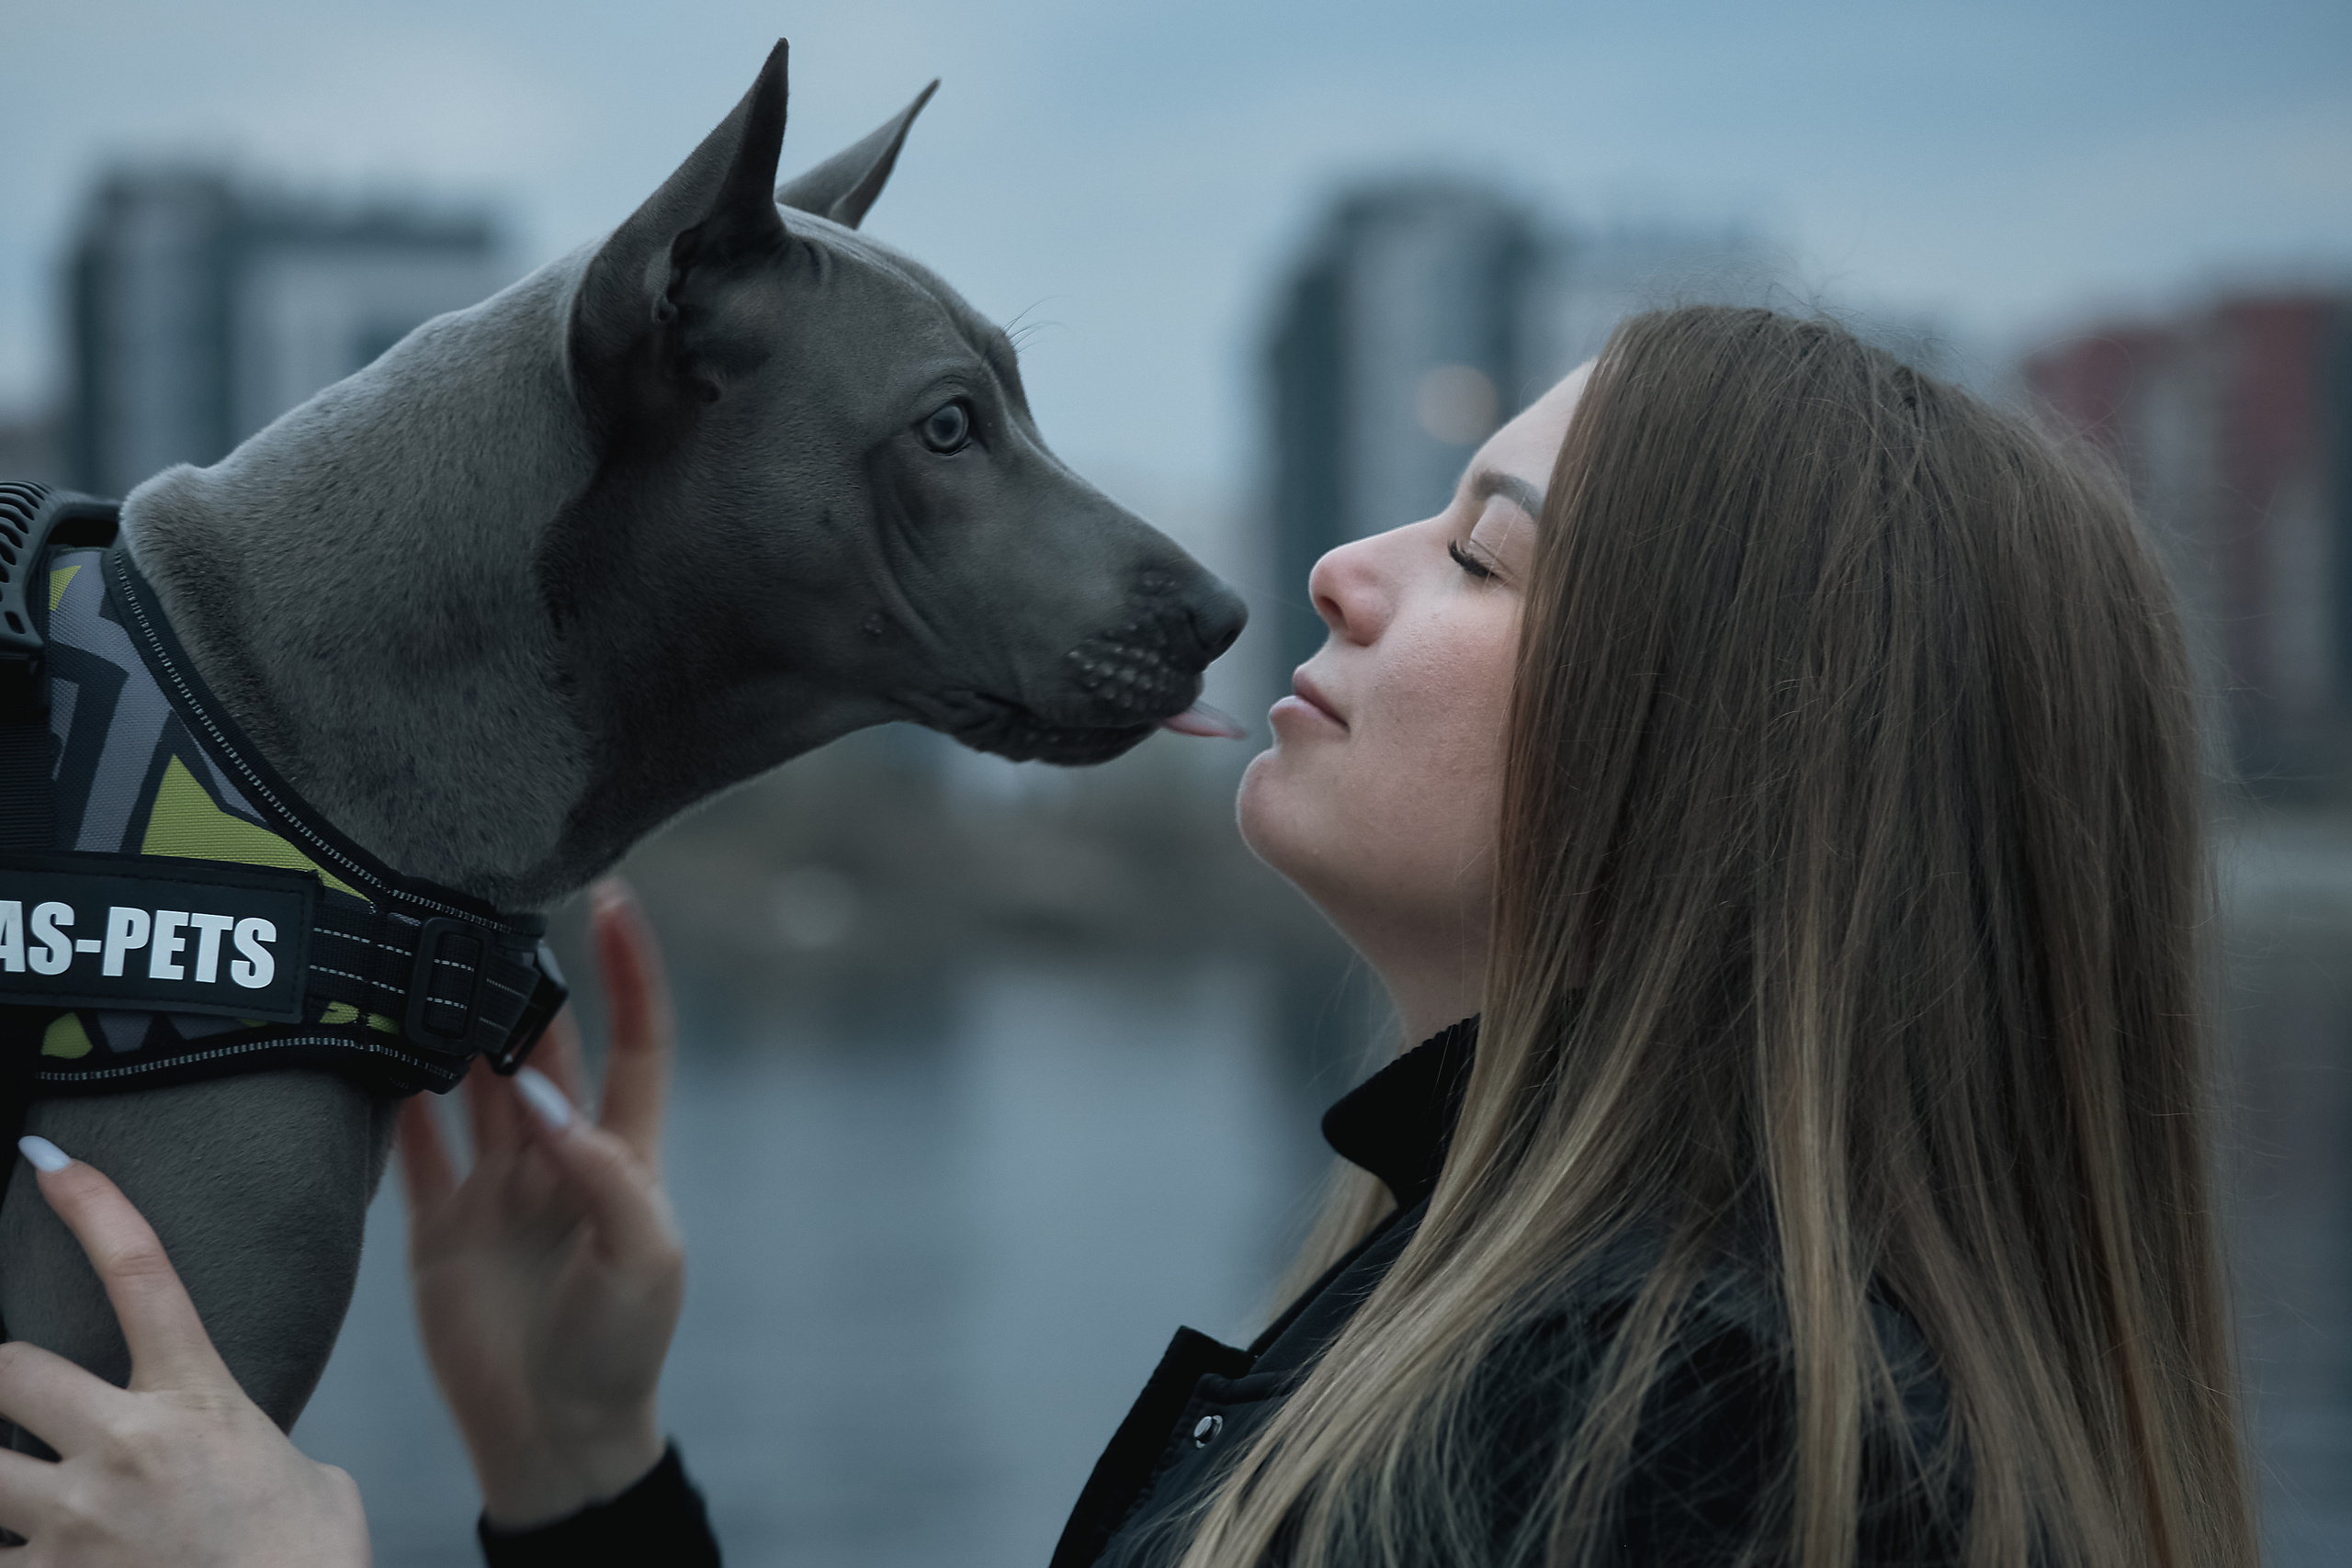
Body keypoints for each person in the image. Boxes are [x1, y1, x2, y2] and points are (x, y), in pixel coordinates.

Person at [0, 306, 2256, 1567]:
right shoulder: (1520, 1325)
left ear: (1736, 746)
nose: (1344, 567)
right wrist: (583, 1473)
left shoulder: (1693, 1432)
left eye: (1482, 554)